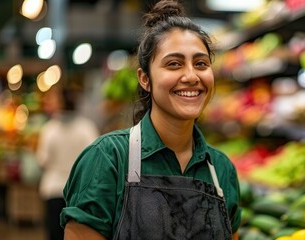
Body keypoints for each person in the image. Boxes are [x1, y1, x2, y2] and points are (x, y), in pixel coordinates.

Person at [60, 0, 242, 239]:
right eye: (174, 64)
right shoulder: (107, 158)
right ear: (145, 79)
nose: (191, 76)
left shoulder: (221, 169)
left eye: (201, 63)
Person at [36, 85, 100, 240]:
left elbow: (42, 160)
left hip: (54, 189)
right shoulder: (87, 128)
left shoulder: (49, 129)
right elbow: (97, 159)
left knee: (54, 234)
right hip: (81, 191)